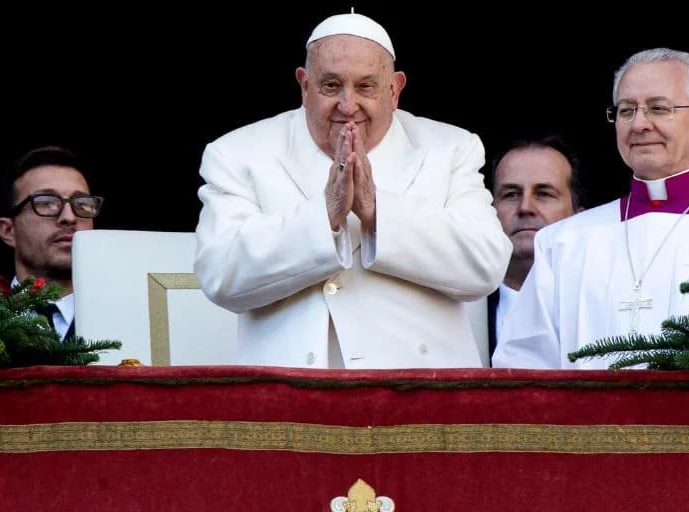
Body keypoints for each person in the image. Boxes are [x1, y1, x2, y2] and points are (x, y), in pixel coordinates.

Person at [194, 12, 511, 369]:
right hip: (293, 393)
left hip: (422, 390)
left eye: (366, 86)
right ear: (304, 85)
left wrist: (377, 211)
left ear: (394, 90)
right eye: (330, 85)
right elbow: (220, 274)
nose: (348, 105)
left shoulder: (450, 148)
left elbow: (486, 265)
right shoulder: (239, 152)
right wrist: (325, 216)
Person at [492, 48, 689, 369]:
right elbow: (522, 368)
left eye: (658, 108)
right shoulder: (562, 242)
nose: (639, 124)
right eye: (626, 111)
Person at [488, 135, 585, 348]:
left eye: (544, 194)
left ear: (579, 218)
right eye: (511, 194)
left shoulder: (601, 305)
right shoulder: (455, 310)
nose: (525, 207)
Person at [0, 146, 102, 341]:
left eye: (82, 204)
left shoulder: (131, 317)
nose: (69, 217)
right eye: (46, 202)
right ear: (8, 231)